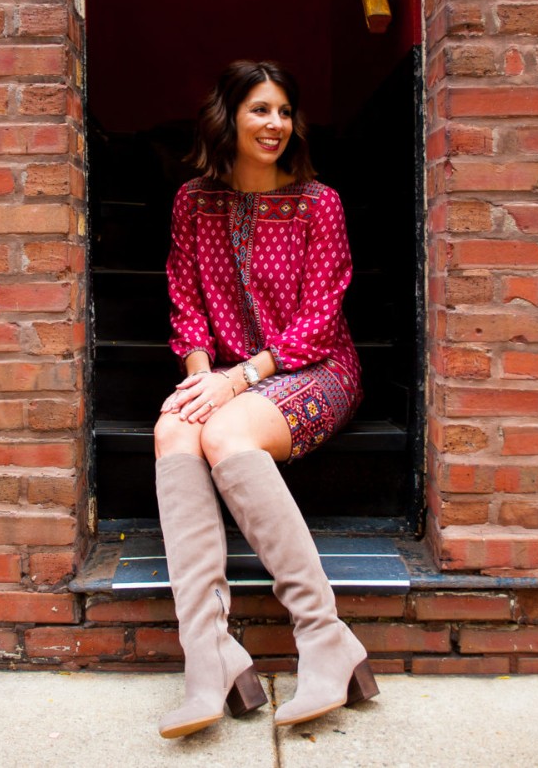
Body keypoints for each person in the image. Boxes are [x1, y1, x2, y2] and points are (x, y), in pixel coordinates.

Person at [153, 60, 378, 739]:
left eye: (283, 110)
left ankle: (324, 635)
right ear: (229, 117)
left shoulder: (319, 203)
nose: (275, 123)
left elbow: (318, 320)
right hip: (228, 379)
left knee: (223, 435)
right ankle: (209, 656)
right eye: (259, 109)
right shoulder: (194, 201)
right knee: (172, 429)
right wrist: (200, 377)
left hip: (318, 369)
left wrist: (234, 380)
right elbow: (185, 300)